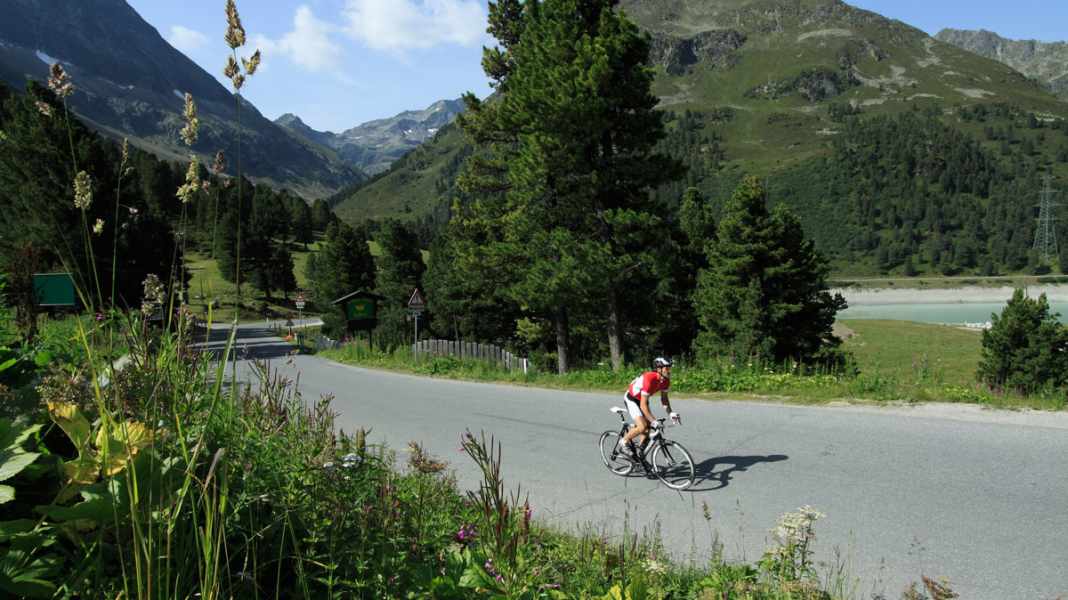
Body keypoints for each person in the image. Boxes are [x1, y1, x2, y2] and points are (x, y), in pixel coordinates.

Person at [615, 357, 680, 459]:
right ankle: (623, 442)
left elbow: (664, 399)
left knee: (648, 428)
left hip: (642, 400)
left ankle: (639, 455)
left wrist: (670, 413)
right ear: (659, 369)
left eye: (670, 368)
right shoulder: (649, 378)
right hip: (632, 399)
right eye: (667, 368)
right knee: (642, 426)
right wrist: (654, 421)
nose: (669, 371)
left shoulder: (666, 381)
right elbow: (643, 405)